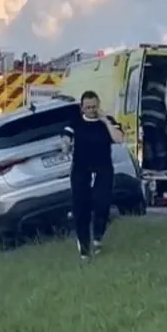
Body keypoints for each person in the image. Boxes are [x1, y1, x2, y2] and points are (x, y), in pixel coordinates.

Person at [61, 91, 123, 260]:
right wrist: (65, 146)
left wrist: (104, 121)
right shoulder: (75, 123)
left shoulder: (107, 121)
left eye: (94, 107)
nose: (91, 110)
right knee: (81, 208)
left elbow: (118, 139)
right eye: (88, 107)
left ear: (99, 105)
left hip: (103, 168)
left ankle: (98, 236)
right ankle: (84, 246)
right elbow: (66, 137)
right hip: (81, 169)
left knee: (102, 203)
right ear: (82, 108)